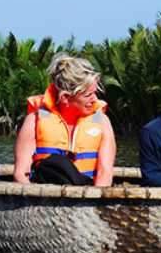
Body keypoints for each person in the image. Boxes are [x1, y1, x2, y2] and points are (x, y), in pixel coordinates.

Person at [13, 54, 116, 186]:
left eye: (95, 93)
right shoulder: (35, 120)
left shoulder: (102, 121)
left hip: (87, 192)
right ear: (65, 98)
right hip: (43, 194)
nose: (95, 99)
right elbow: (20, 174)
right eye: (88, 95)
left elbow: (105, 174)